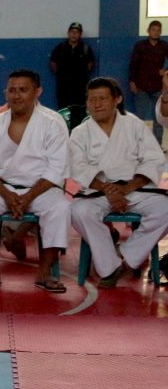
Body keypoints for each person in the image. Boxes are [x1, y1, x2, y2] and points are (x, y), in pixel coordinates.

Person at [0, 69, 70, 293]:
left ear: (37, 92)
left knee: (60, 208)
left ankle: (45, 271)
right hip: (2, 187)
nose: (16, 95)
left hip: (40, 188)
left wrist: (28, 197)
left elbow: (56, 169)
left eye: (23, 90)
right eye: (12, 90)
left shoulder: (52, 124)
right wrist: (7, 194)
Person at [70, 77, 168, 288]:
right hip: (98, 191)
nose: (97, 104)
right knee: (78, 212)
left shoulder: (134, 124)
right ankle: (110, 267)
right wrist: (109, 190)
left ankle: (126, 254)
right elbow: (78, 168)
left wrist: (126, 188)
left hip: (135, 188)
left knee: (166, 209)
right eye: (92, 100)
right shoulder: (80, 133)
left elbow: (153, 159)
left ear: (117, 99)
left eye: (103, 99)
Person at [129, 20, 168, 150]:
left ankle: (157, 145)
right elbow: (133, 64)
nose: (155, 32)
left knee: (159, 117)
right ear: (148, 31)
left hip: (158, 87)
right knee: (139, 118)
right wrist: (132, 81)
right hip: (142, 86)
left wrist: (166, 70)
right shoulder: (140, 45)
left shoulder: (164, 46)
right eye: (153, 30)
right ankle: (138, 145)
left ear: (160, 32)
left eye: (158, 30)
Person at [49, 22, 95, 114]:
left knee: (80, 110)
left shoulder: (85, 49)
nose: (74, 34)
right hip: (63, 86)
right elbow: (53, 62)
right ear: (68, 33)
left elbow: (90, 64)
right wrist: (60, 74)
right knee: (63, 110)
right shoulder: (61, 48)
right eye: (72, 32)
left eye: (77, 32)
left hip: (80, 86)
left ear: (80, 34)